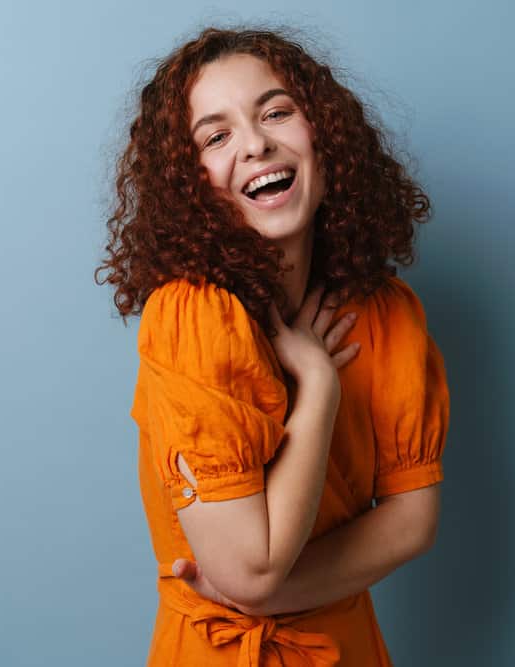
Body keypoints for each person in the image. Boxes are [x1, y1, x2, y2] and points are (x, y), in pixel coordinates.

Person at [96, 26, 451, 666]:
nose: (256, 143)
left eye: (276, 112)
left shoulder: (387, 315)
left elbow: (413, 522)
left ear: (324, 135)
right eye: (217, 135)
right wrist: (317, 389)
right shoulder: (191, 317)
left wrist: (265, 597)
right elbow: (251, 568)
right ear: (191, 180)